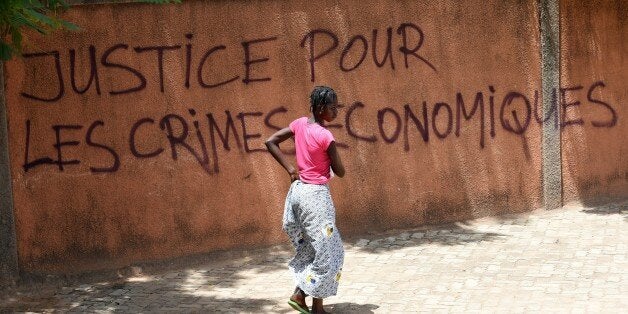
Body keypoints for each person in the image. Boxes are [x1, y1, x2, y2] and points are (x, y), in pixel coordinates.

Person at [265, 86, 346, 314]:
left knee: (316, 248)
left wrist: (292, 169)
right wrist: (330, 162)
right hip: (316, 197)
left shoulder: (299, 124)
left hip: (298, 194)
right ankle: (300, 295)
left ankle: (316, 306)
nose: (336, 112)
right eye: (332, 108)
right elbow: (340, 171)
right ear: (321, 109)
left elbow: (270, 141)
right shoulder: (325, 136)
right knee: (330, 252)